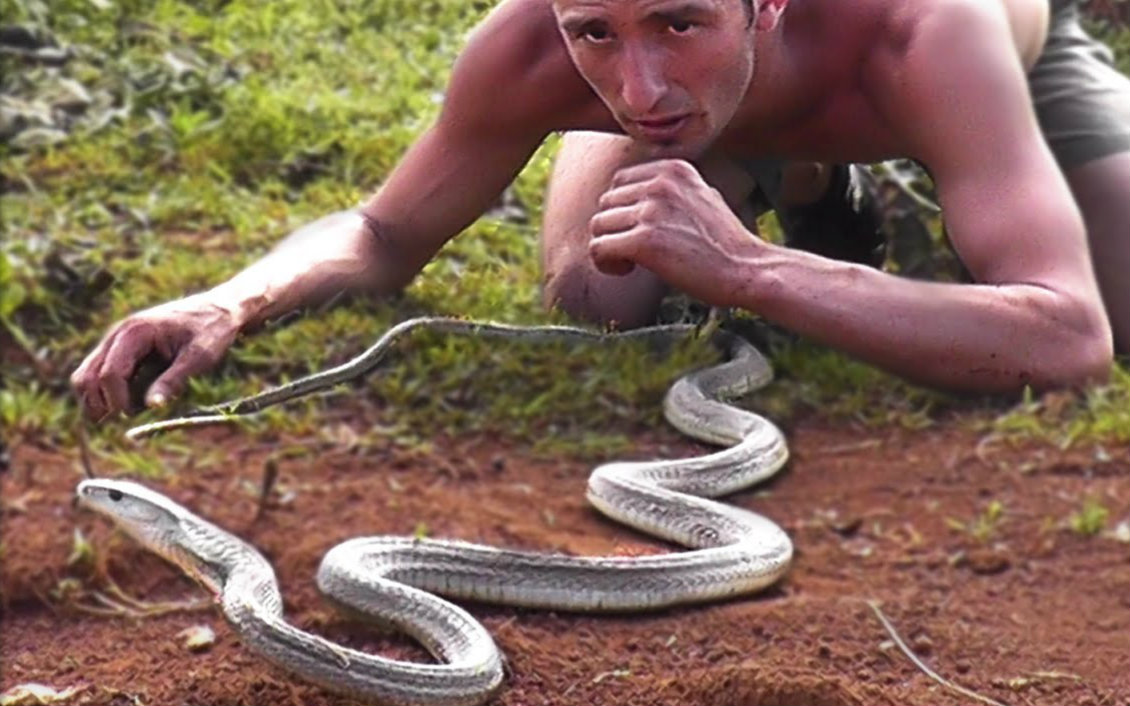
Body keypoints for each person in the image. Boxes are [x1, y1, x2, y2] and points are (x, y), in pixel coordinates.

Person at [72, 0, 1129, 420]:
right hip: (760, 102)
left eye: (677, 21)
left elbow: (1066, 335)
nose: (638, 90)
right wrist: (230, 299)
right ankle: (803, 187)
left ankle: (840, 186)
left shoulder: (923, 32)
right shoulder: (542, 46)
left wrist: (753, 273)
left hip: (999, 80)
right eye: (595, 33)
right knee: (598, 288)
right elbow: (383, 231)